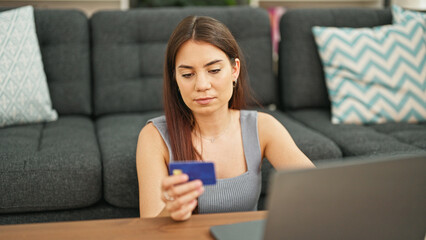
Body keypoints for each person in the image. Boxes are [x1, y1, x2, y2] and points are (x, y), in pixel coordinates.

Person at [136, 15, 314, 221]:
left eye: (214, 70)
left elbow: (319, 191)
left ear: (234, 70)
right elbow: (147, 230)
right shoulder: (153, 137)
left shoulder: (263, 127)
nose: (202, 85)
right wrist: (171, 210)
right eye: (187, 75)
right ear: (175, 78)